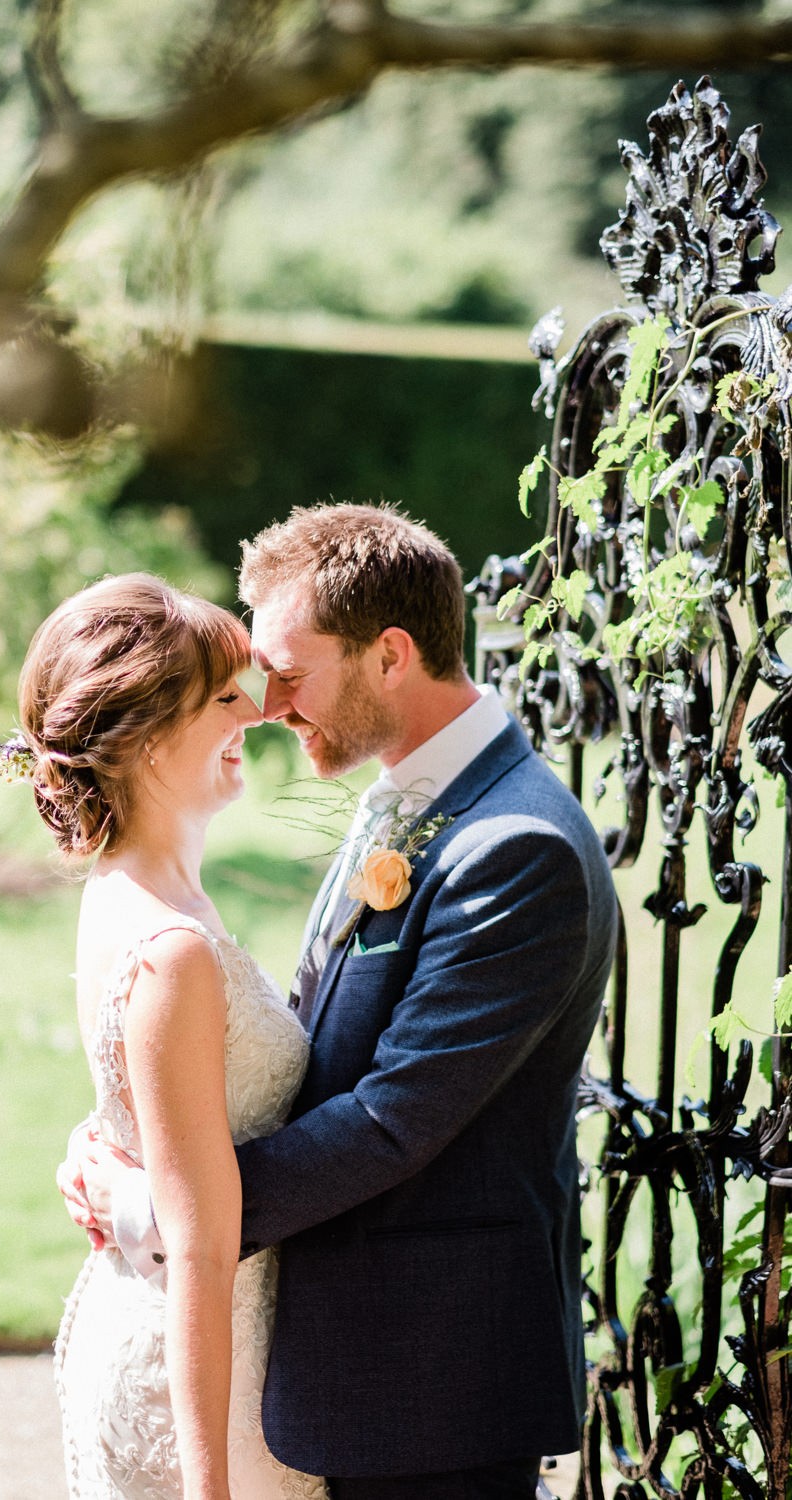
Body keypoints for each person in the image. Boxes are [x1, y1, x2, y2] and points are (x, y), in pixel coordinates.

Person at [61, 504, 619, 1499]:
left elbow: (391, 1122)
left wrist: (164, 1207)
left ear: (390, 655)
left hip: (432, 1381)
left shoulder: (516, 848)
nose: (264, 706)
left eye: (286, 671)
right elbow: (313, 1041)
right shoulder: (402, 795)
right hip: (350, 1368)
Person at [16, 572, 328, 1499]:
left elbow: (147, 1102)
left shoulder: (127, 892)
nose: (258, 713)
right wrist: (209, 1487)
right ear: (149, 741)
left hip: (166, 1332)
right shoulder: (173, 949)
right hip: (202, 1389)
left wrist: (103, 1156)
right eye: (225, 696)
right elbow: (197, 1247)